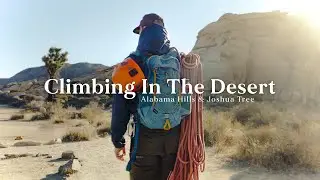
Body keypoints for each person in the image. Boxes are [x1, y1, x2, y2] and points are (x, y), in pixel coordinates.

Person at [111, 13, 182, 180]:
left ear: (143, 29)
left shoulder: (132, 62)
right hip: (174, 135)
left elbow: (120, 108)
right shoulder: (178, 60)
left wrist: (118, 141)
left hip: (145, 137)